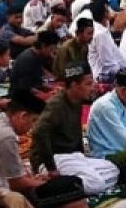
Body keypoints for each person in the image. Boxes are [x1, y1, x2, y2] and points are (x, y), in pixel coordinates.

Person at [29, 63, 119, 195]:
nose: (93, 87)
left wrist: (85, 155)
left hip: (73, 156)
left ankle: (67, 183)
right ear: (74, 85)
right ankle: (55, 184)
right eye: (88, 84)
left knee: (113, 170)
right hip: (55, 159)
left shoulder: (77, 101)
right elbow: (38, 132)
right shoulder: (57, 105)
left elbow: (81, 132)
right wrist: (51, 168)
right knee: (97, 184)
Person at [0, 88, 51, 199]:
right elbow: (16, 183)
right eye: (33, 121)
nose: (33, 127)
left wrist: (32, 180)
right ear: (23, 116)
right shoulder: (7, 136)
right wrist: (46, 184)